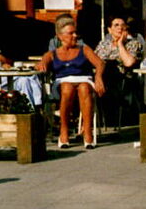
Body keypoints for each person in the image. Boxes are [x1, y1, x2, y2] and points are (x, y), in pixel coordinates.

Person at [35, 16, 105, 149]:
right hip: (62, 82)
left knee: (84, 88)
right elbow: (42, 62)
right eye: (70, 33)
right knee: (67, 88)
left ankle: (88, 132)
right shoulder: (53, 53)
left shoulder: (84, 49)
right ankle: (64, 130)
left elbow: (100, 63)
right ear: (60, 36)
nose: (75, 35)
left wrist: (98, 77)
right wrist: (42, 64)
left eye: (75, 32)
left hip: (84, 79)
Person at [93, 16, 142, 127]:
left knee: (110, 66)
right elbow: (93, 61)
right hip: (100, 79)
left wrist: (120, 44)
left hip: (123, 81)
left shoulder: (133, 44)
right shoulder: (103, 44)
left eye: (122, 25)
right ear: (109, 30)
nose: (120, 28)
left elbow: (129, 63)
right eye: (116, 25)